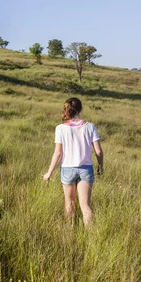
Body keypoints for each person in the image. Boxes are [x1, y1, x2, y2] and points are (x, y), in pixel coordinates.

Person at [43, 97, 103, 226]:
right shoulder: (90, 127)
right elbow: (98, 151)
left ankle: (69, 232)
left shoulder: (60, 128)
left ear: (66, 109)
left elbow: (58, 153)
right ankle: (90, 235)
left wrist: (49, 172)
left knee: (69, 203)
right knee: (85, 205)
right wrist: (100, 166)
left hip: (67, 169)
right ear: (80, 109)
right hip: (86, 168)